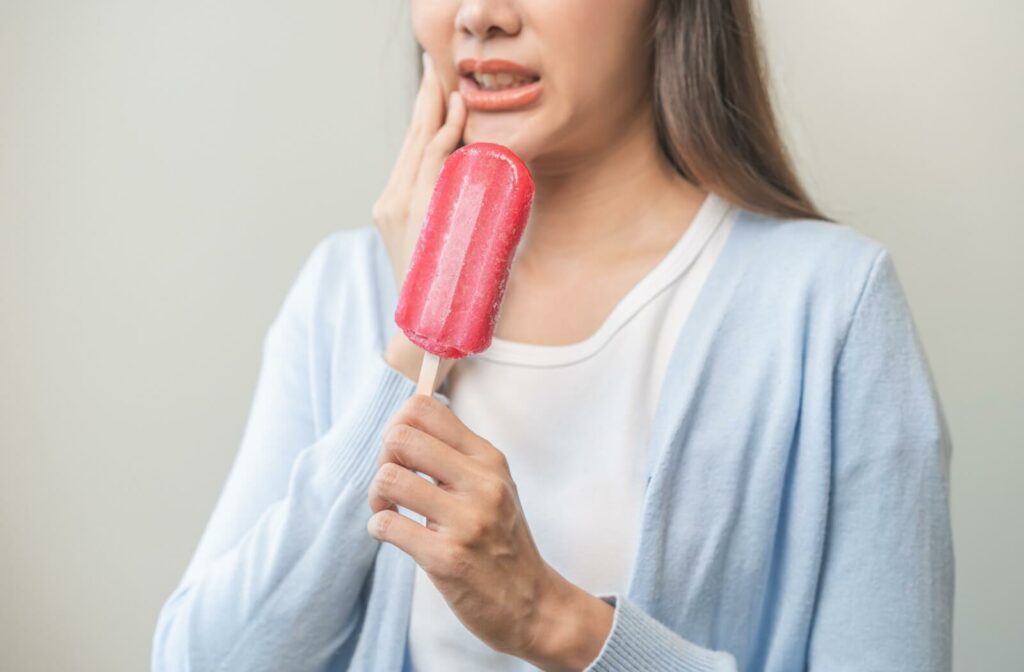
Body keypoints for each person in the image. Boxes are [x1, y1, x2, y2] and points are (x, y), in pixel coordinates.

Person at [152, 1, 954, 671]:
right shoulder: (343, 290)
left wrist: (552, 620)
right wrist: (411, 339)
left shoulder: (828, 307)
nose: (480, 16)